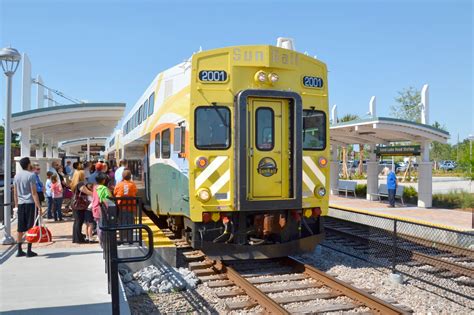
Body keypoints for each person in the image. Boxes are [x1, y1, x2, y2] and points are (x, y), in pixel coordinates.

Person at [13, 157, 42, 257]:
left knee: (20, 228)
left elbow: (15, 193)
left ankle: (19, 250)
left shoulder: (16, 176)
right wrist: (39, 207)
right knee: (31, 226)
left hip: (21, 204)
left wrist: (16, 205)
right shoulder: (31, 176)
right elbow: (34, 193)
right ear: (28, 164)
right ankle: (29, 250)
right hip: (30, 203)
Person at [114, 170, 137, 243]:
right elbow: (135, 192)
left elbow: (115, 192)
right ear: (130, 177)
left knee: (121, 223)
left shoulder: (119, 184)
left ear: (122, 177)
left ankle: (121, 239)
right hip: (131, 207)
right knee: (130, 223)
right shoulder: (132, 185)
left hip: (121, 207)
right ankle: (130, 239)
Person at [70, 170, 93, 243]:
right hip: (79, 205)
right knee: (79, 221)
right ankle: (78, 238)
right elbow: (87, 191)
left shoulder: (74, 183)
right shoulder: (80, 184)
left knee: (77, 221)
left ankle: (76, 237)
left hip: (75, 204)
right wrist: (95, 193)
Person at [92, 173, 111, 246]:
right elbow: (108, 197)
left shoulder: (95, 187)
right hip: (101, 209)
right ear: (103, 180)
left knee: (98, 225)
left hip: (95, 208)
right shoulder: (104, 188)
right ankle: (104, 242)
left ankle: (101, 241)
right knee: (103, 225)